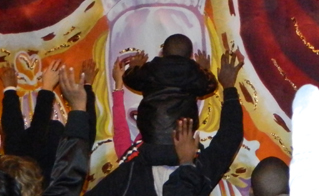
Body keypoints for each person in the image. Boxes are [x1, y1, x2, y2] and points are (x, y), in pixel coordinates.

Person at [86, 48, 244, 196]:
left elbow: (119, 129)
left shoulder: (130, 171)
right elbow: (230, 136)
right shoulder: (200, 174)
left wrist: (125, 79)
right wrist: (227, 86)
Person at [0, 66, 94, 196]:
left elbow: (13, 129)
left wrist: (10, 89)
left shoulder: (18, 155)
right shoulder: (53, 178)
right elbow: (82, 141)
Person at [122, 34, 217, 149]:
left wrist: (135, 67)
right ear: (190, 55)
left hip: (151, 138)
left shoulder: (150, 69)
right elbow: (210, 85)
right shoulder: (194, 72)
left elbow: (130, 79)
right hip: (182, 140)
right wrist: (204, 69)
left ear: (162, 52)